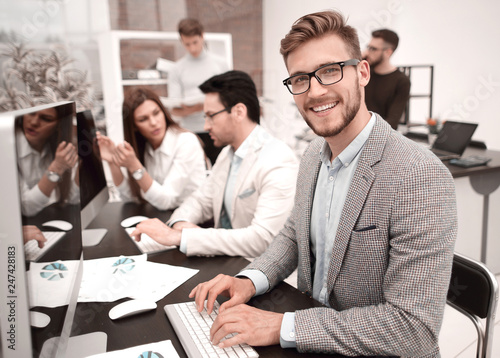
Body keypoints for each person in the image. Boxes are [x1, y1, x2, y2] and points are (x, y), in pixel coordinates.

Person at [189, 10, 457, 357]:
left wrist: (280, 326)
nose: (315, 91)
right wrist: (249, 280)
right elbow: (293, 235)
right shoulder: (314, 154)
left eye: (330, 71)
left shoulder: (419, 176)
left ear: (362, 72)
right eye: (300, 79)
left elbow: (413, 328)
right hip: (317, 339)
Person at [130, 70, 298, 258]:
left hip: (259, 272)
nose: (205, 126)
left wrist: (182, 236)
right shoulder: (228, 154)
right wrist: (180, 223)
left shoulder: (278, 159)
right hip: (226, 263)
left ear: (238, 112)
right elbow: (200, 201)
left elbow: (262, 239)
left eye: (211, 116)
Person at [97, 87, 206, 211]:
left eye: (156, 113)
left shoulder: (186, 141)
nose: (154, 122)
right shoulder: (147, 147)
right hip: (164, 215)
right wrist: (112, 162)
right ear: (134, 126)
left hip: (191, 219)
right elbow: (131, 197)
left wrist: (135, 166)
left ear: (164, 112)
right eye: (143, 119)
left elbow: (166, 201)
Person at [168, 18, 230, 133]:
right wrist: (194, 109)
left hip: (218, 129)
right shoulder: (176, 69)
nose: (192, 48)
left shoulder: (220, 64)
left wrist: (200, 107)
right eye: (187, 44)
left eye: (195, 42)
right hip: (189, 131)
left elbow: (229, 99)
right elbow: (174, 110)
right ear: (181, 41)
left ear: (202, 36)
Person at [16, 106, 79, 217]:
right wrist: (56, 168)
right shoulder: (7, 149)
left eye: (46, 119)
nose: (34, 122)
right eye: (30, 114)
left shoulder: (54, 146)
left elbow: (71, 198)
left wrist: (85, 161)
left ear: (59, 125)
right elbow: (26, 208)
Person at [363, 28, 410, 130]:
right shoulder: (364, 73)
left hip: (381, 137)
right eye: (368, 47)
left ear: (388, 52)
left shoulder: (401, 81)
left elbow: (392, 122)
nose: (367, 52)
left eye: (373, 49)